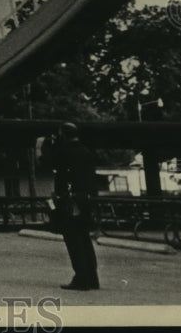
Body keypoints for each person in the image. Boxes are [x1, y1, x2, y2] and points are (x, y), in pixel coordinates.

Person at [52, 122, 99, 291]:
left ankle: (81, 278)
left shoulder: (64, 152)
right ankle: (92, 277)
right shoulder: (86, 151)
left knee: (73, 239)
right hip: (86, 198)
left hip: (71, 200)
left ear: (63, 135)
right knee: (84, 237)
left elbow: (52, 167)